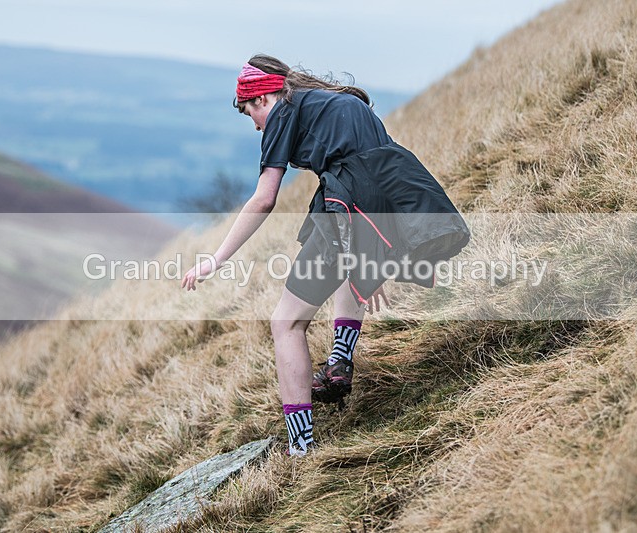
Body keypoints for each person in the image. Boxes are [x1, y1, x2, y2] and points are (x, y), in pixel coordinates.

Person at [181, 54, 469, 457]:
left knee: (285, 322)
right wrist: (373, 258)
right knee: (347, 267)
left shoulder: (282, 112)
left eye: (250, 114)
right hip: (390, 198)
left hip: (352, 204)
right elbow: (377, 173)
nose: (257, 125)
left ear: (262, 98)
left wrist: (217, 259)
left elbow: (264, 199)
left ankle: (301, 447)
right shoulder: (335, 100)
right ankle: (339, 361)